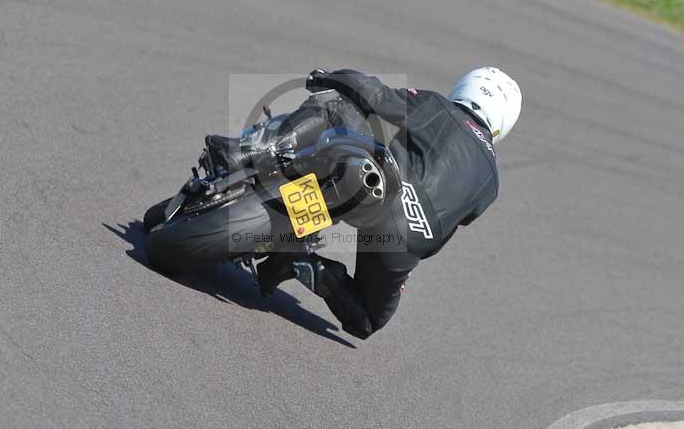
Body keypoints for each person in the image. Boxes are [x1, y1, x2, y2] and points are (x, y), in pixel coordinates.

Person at [205, 68, 522, 339]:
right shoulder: (491, 181)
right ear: (503, 123)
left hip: (376, 187)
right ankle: (302, 262)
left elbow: (377, 96)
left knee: (339, 108)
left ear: (465, 87)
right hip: (409, 239)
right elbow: (452, 223)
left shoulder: (437, 106)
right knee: (366, 320)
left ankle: (248, 152)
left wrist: (328, 77)